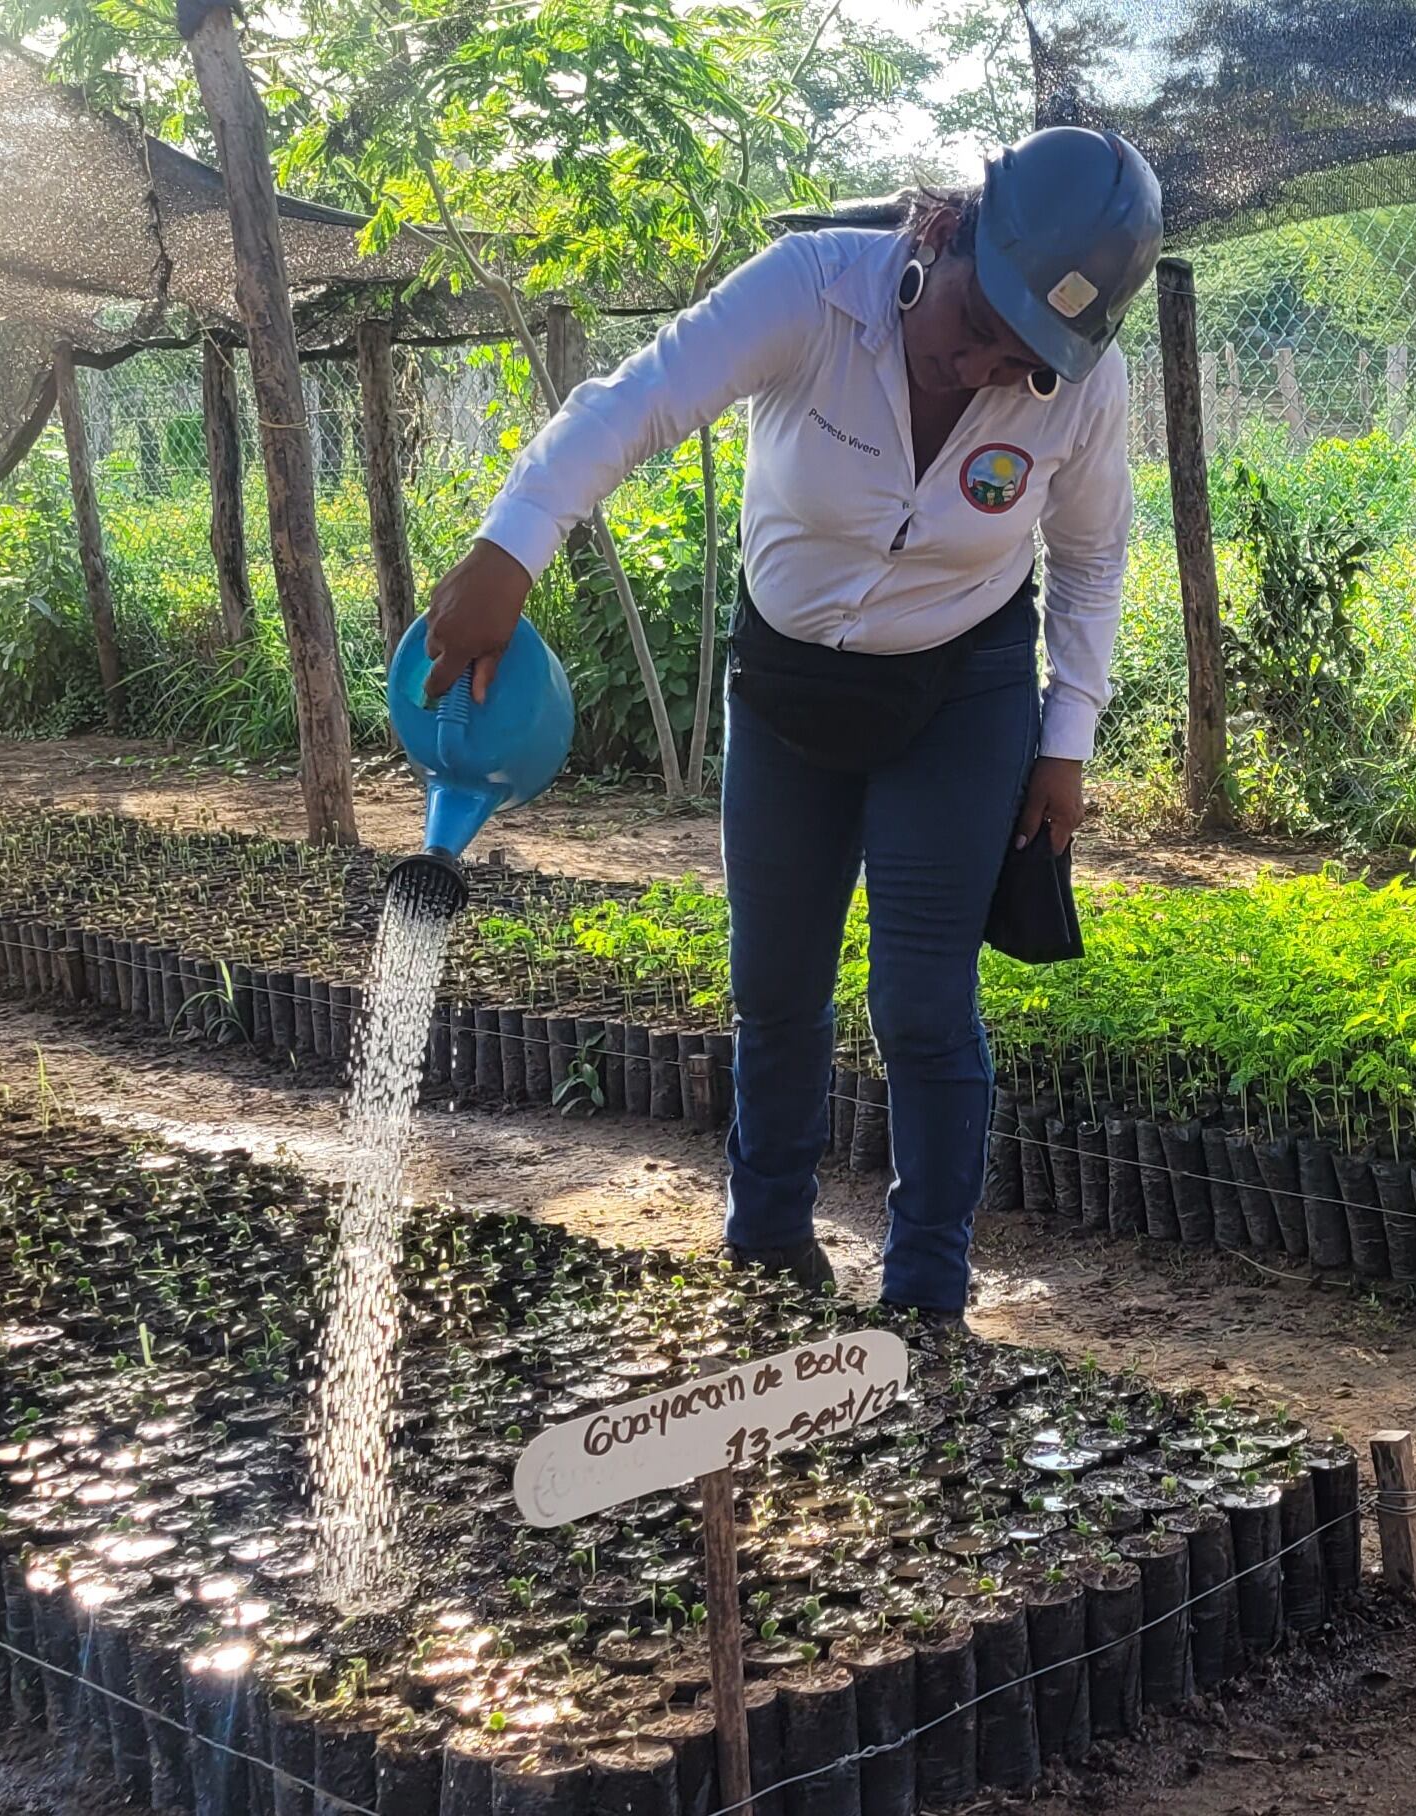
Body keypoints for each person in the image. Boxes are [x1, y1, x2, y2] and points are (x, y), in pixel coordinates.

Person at [424, 127, 1163, 1329]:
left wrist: (1066, 735)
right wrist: (512, 545)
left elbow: (1090, 559)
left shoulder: (1077, 388)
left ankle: (927, 1295)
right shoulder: (814, 291)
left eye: (1021, 359)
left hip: (958, 690)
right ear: (948, 230)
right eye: (980, 321)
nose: (984, 363)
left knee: (922, 1004)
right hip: (788, 686)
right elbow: (638, 402)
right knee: (776, 987)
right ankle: (768, 1247)